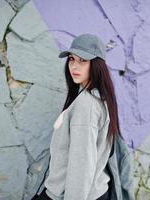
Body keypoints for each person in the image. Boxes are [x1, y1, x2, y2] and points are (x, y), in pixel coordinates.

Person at [35, 33, 122, 200]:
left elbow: (81, 165)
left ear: (97, 65)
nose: (74, 66)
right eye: (72, 59)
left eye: (83, 60)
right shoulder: (97, 97)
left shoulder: (86, 105)